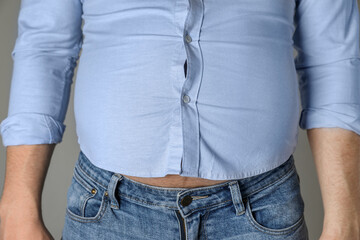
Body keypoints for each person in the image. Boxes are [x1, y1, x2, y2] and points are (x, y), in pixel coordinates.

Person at [0, 0, 359, 239]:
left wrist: (346, 219)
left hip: (260, 213)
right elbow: (45, 47)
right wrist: (17, 204)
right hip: (108, 212)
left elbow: (333, 56)